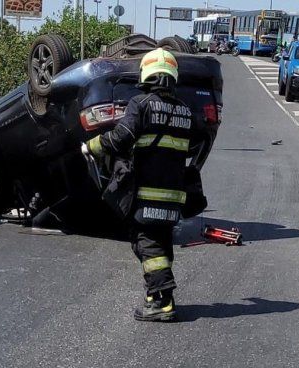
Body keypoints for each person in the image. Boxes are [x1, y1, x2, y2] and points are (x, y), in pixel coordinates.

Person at [83, 48, 193, 321]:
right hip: (174, 195)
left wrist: (91, 146)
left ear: (147, 75)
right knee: (161, 243)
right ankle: (155, 294)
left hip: (146, 192)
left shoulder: (141, 104)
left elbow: (122, 137)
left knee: (147, 244)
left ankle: (162, 302)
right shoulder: (185, 111)